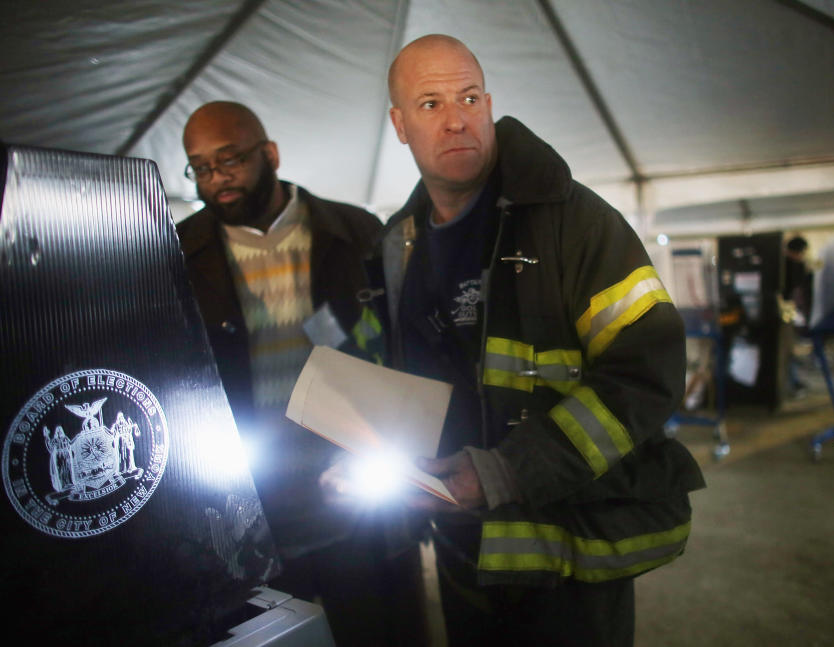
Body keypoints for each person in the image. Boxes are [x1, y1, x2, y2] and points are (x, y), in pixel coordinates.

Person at [345, 35, 706, 646]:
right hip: (461, 546)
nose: (457, 119)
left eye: (467, 97)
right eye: (430, 104)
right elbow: (383, 368)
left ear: (489, 103)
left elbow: (645, 374)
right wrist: (356, 447)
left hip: (569, 551)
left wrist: (504, 474)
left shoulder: (575, 222)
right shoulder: (394, 246)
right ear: (398, 125)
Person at [177, 101, 427, 647]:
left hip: (351, 481)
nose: (217, 178)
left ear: (270, 154)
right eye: (200, 167)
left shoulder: (354, 234)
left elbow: (399, 348)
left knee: (375, 623)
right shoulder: (176, 254)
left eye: (230, 159)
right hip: (248, 498)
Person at [782, 235, 812, 396]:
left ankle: (792, 383)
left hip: (785, 313)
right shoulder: (793, 266)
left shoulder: (782, 263)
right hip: (784, 314)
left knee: (788, 351)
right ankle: (792, 384)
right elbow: (798, 291)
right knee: (787, 351)